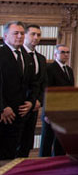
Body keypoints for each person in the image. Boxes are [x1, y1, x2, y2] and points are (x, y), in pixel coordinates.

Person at [0, 21, 37, 160]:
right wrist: (2, 107)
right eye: (16, 33)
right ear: (5, 36)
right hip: (3, 114)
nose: (20, 36)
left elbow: (33, 84)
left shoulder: (27, 57)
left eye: (22, 33)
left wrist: (31, 102)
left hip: (21, 115)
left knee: (14, 156)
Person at [16, 24, 47, 158]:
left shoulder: (41, 59)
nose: (36, 37)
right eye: (32, 34)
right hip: (19, 107)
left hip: (34, 108)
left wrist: (38, 101)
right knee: (14, 145)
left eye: (38, 35)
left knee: (27, 144)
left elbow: (43, 84)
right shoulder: (18, 55)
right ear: (25, 36)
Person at [39, 44, 74, 157]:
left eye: (67, 52)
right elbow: (47, 91)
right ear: (55, 55)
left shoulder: (69, 70)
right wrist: (47, 112)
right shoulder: (49, 69)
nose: (66, 55)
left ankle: (58, 162)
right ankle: (43, 164)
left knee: (61, 141)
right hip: (51, 111)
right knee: (47, 141)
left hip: (64, 111)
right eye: (63, 52)